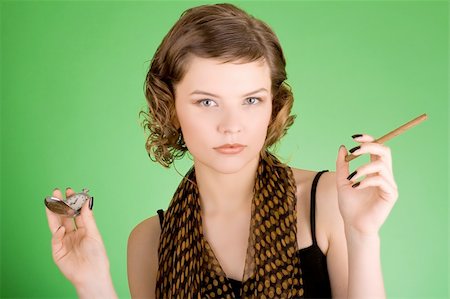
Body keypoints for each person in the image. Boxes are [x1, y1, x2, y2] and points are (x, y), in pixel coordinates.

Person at [45, 3, 398, 298]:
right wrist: (92, 282)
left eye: (251, 100)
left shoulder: (328, 203)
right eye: (208, 102)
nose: (232, 124)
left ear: (272, 106)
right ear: (171, 107)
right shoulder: (149, 242)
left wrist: (362, 235)